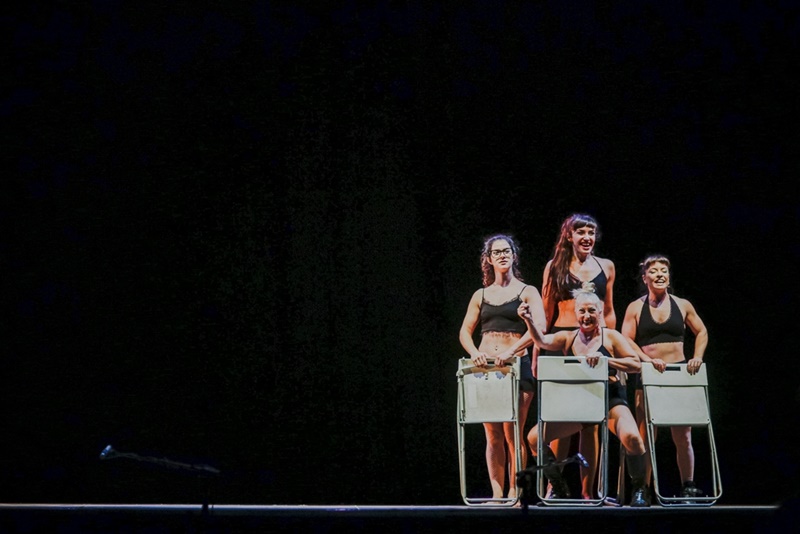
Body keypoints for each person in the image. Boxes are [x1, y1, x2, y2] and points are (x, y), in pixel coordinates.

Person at [519, 285, 651, 507]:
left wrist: (606, 361)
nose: (586, 316)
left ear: (599, 313)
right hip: (580, 402)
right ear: (575, 313)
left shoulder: (611, 337)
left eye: (591, 311)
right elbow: (541, 341)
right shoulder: (568, 337)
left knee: (632, 438)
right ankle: (559, 488)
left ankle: (640, 489)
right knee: (534, 438)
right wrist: (529, 320)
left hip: (609, 400)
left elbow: (636, 364)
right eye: (582, 311)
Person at [459, 233, 548, 501]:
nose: (502, 255)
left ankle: (514, 491)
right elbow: (464, 331)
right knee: (493, 435)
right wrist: (474, 353)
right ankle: (497, 493)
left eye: (506, 251)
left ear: (514, 255)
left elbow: (539, 328)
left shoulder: (527, 291)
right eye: (496, 252)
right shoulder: (481, 294)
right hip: (487, 371)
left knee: (512, 432)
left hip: (515, 366)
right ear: (488, 259)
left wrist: (511, 351)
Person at [540, 213, 616, 499]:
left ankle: (588, 492)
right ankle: (555, 486)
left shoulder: (606, 266)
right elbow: (546, 312)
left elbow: (609, 311)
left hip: (594, 345)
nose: (586, 237)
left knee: (590, 420)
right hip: (562, 341)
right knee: (561, 416)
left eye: (591, 232)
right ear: (569, 236)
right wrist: (536, 352)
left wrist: (609, 345)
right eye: (580, 232)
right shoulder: (555, 266)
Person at [621, 254, 709, 502]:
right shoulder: (635, 307)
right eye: (654, 271)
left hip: (678, 373)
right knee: (647, 435)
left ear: (669, 277)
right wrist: (646, 360)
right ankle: (642, 488)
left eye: (664, 271)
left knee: (683, 435)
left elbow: (701, 331)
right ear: (645, 278)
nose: (659, 274)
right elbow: (625, 339)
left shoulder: (682, 304)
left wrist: (697, 357)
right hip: (649, 375)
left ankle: (688, 487)